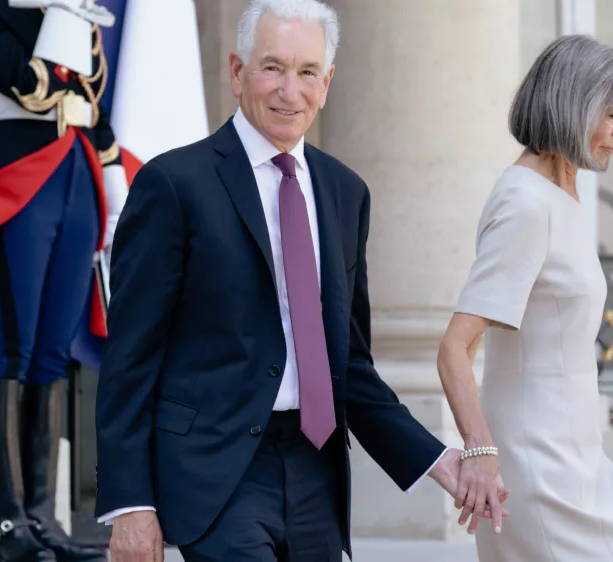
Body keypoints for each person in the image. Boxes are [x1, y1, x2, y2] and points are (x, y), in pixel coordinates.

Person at [92, 1, 508, 560]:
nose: (291, 90)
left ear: (327, 82)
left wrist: (438, 461)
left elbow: (349, 367)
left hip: (317, 474)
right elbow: (129, 358)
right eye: (273, 68)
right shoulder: (173, 185)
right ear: (237, 72)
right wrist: (130, 503)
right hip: (215, 477)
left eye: (307, 72)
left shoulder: (345, 193)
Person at [436, 34, 613, 561]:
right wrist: (481, 452)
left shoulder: (562, 195)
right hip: (541, 471)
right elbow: (457, 345)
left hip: (577, 461)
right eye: (612, 113)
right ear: (573, 105)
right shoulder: (527, 203)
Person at [0, 0, 129, 560]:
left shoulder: (73, 10)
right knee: (12, 349)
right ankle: (7, 527)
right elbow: (28, 81)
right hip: (12, 178)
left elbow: (91, 102)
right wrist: (62, 16)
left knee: (51, 352)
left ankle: (42, 519)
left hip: (75, 176)